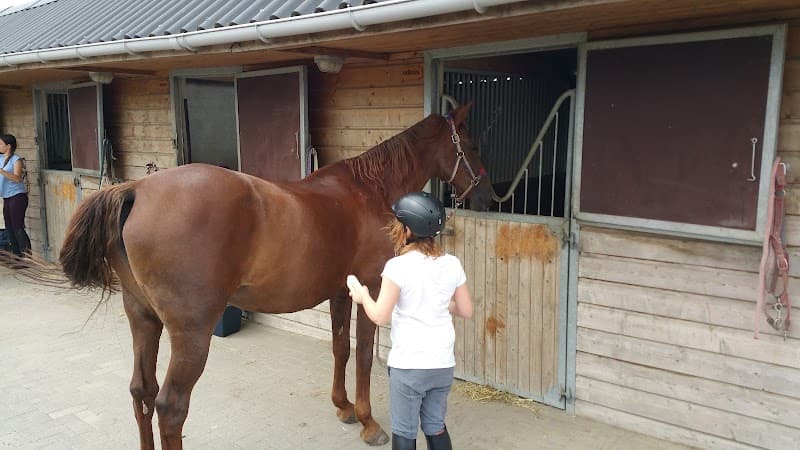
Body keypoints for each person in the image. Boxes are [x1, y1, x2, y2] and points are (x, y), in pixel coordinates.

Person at [348, 192, 473, 450]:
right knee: (435, 425)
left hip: (409, 366)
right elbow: (466, 309)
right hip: (442, 364)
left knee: (405, 432)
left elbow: (380, 316)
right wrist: (437, 302)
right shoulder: (452, 264)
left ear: (406, 230)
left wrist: (361, 296)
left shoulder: (398, 267)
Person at [0, 134, 31, 258]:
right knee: (9, 228)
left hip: (17, 196)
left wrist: (1, 171)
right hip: (7, 197)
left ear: (8, 146)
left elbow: (17, 178)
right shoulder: (1, 158)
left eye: (1, 144)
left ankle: (27, 257)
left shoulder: (16, 160)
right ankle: (17, 257)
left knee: (18, 227)